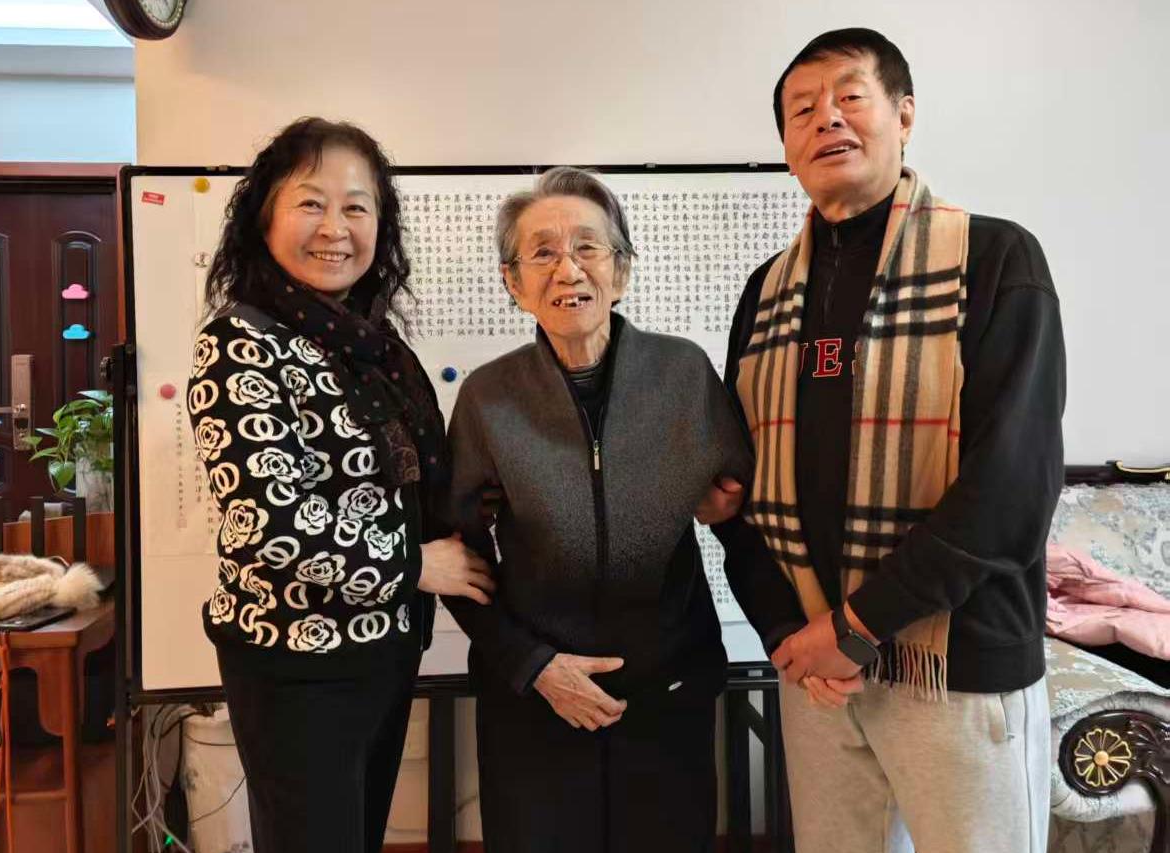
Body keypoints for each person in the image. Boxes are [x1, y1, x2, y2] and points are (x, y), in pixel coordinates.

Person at [703, 28, 1066, 853]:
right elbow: (736, 485)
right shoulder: (766, 292)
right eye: (802, 109)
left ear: (903, 116)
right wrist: (787, 634)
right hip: (815, 670)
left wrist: (859, 626)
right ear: (786, 148)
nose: (825, 119)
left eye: (848, 97)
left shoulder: (992, 258)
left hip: (955, 661)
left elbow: (1010, 490)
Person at [186, 116, 494, 853]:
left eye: (357, 207)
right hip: (297, 664)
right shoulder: (240, 342)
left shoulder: (375, 346)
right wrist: (415, 564)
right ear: (263, 218)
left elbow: (417, 483)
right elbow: (269, 525)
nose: (335, 228)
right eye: (310, 203)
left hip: (382, 649)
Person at [445, 166, 753, 853]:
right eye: (542, 253)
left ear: (622, 270)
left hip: (668, 689)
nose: (568, 269)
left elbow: (741, 513)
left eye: (588, 246)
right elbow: (459, 560)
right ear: (513, 282)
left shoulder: (683, 374)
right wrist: (532, 665)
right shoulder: (488, 398)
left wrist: (791, 631)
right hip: (535, 695)